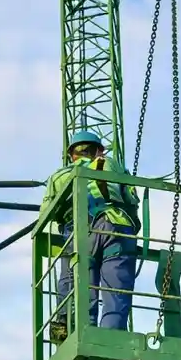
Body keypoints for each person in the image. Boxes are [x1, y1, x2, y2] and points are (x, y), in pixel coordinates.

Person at [38, 130, 142, 342]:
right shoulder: (111, 164)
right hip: (117, 227)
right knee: (116, 290)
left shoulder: (59, 176)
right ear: (99, 150)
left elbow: (45, 215)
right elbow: (131, 199)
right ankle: (112, 340)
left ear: (71, 155)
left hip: (79, 232)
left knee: (76, 284)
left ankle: (76, 332)